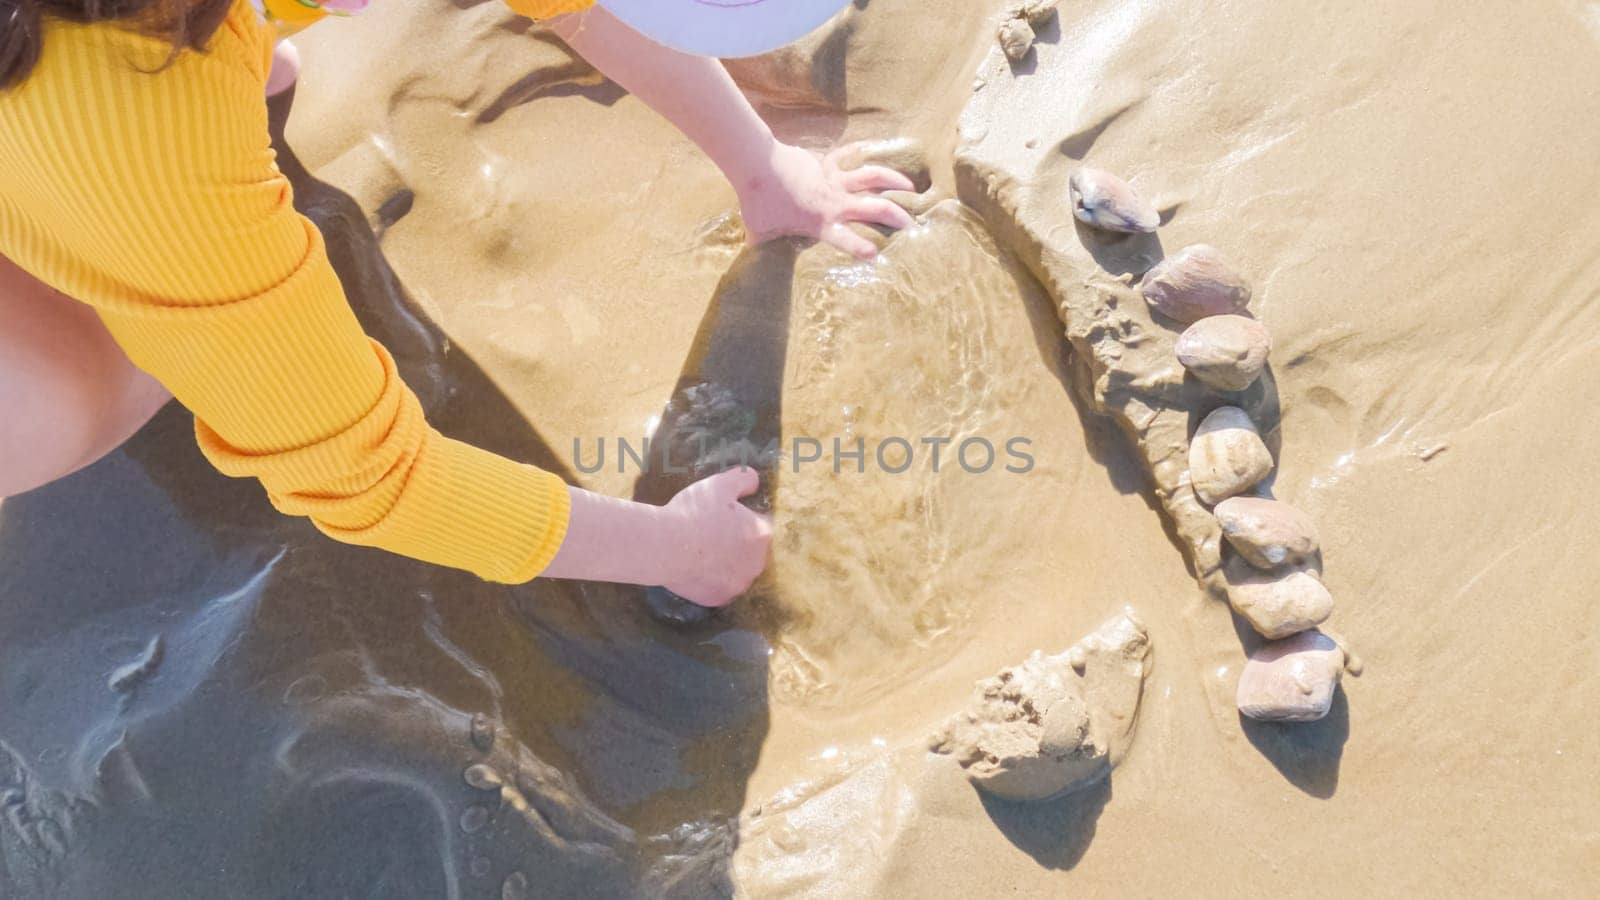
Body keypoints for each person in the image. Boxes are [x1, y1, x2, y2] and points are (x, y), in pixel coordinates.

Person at [0, 0, 917, 605]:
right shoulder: (135, 142)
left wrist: (762, 170)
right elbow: (372, 480)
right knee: (95, 376)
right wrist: (674, 549)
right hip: (77, 114)